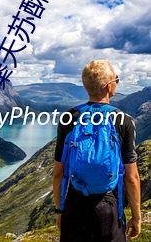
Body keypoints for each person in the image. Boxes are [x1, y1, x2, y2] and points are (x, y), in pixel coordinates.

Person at [53, 60, 141, 242]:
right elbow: (131, 177)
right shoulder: (123, 121)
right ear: (109, 86)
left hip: (75, 204)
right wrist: (136, 217)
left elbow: (58, 173)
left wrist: (59, 210)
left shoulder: (69, 117)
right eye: (117, 79)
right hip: (108, 207)